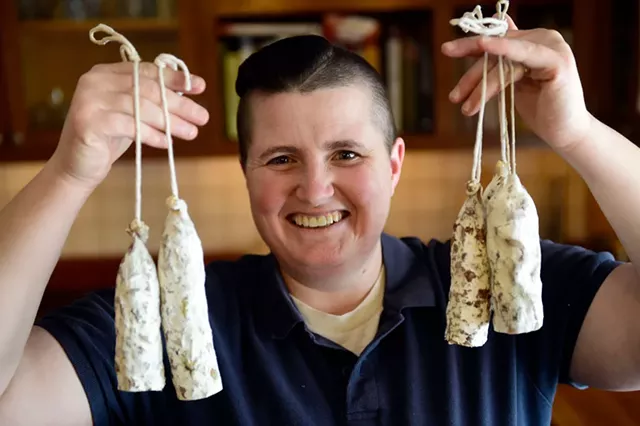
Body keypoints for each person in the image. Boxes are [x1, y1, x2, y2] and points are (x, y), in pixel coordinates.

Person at [0, 15, 639, 426]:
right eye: (281, 159)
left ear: (393, 165)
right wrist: (68, 173)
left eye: (347, 154)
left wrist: (578, 133)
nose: (315, 188)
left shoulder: (505, 281)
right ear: (246, 172)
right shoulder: (174, 314)